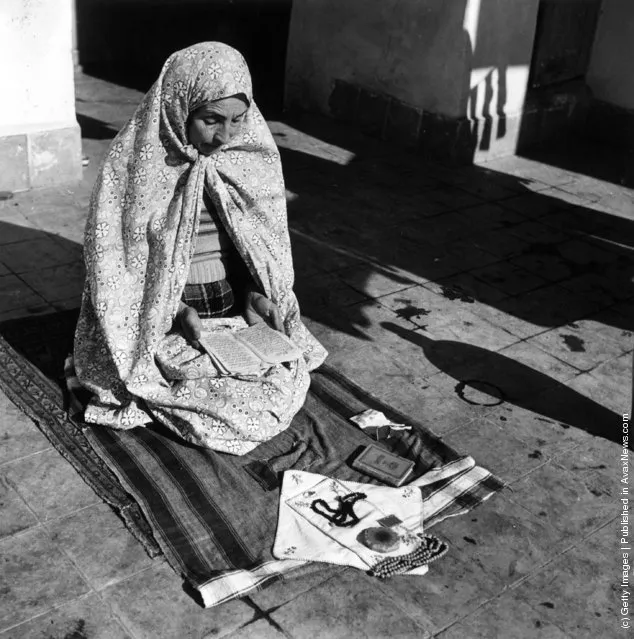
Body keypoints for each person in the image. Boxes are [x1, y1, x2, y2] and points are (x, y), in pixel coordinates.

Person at [72, 42, 327, 454]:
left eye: (238, 120)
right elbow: (119, 270)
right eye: (211, 120)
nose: (225, 136)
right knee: (215, 398)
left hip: (232, 315)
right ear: (179, 108)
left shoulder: (245, 161)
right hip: (164, 325)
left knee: (278, 381)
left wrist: (254, 295)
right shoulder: (136, 169)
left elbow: (253, 246)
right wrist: (174, 312)